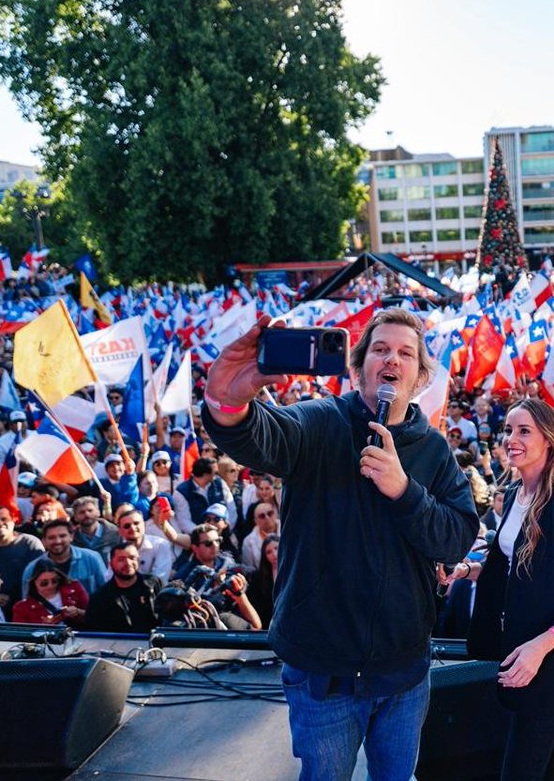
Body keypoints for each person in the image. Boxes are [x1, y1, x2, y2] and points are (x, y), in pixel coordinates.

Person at [202, 308, 479, 781]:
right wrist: (226, 403)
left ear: (419, 378)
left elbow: (457, 535)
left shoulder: (433, 450)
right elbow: (263, 436)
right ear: (358, 367)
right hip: (323, 674)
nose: (392, 358)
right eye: (380, 349)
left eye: (405, 353)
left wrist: (403, 490)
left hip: (404, 671)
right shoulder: (321, 421)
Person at [467, 399, 554, 781]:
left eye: (524, 431)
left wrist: (540, 647)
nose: (511, 438)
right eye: (508, 429)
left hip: (553, 663)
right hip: (521, 650)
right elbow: (509, 567)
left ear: (549, 440)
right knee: (549, 763)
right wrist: (467, 570)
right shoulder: (513, 495)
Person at [0, 506, 45, 606]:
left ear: (13, 521)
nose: (0, 524)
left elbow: (43, 576)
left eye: (4, 519)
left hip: (29, 606)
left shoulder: (31, 544)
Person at [85, 542, 163, 633]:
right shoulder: (100, 598)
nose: (128, 563)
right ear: (111, 564)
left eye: (132, 558)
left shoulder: (153, 585)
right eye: (121, 560)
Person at [21, 519, 108, 599]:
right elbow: (27, 602)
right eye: (51, 537)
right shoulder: (32, 568)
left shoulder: (91, 558)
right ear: (44, 541)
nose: (57, 541)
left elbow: (106, 590)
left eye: (62, 536)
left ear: (71, 537)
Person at [12, 560, 89, 625]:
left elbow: (93, 615)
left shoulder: (75, 588)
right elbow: (21, 635)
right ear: (34, 582)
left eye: (54, 581)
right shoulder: (22, 608)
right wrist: (44, 627)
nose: (50, 586)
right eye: (44, 583)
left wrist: (78, 612)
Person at [173, 457, 237, 533]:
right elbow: (184, 521)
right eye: (215, 473)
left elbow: (231, 508)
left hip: (224, 533)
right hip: (201, 540)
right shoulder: (181, 492)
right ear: (205, 474)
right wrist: (203, 534)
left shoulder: (219, 483)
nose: (218, 475)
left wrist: (225, 528)